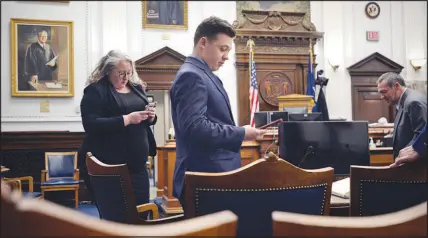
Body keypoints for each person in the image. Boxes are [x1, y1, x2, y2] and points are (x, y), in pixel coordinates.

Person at [169, 16, 266, 209]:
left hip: (213, 177)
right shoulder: (191, 75)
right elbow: (196, 128)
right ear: (203, 43)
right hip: (205, 178)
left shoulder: (203, 74)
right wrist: (242, 133)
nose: (226, 56)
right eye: (223, 49)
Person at [78, 50, 157, 218]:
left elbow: (143, 119)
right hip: (109, 167)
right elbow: (90, 124)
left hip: (138, 166)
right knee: (115, 217)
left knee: (141, 213)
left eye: (129, 73)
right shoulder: (95, 91)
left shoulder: (137, 88)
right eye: (121, 73)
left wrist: (150, 117)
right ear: (108, 71)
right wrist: (126, 119)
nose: (125, 77)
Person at [376, 72, 427, 159]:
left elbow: (422, 136)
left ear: (396, 86)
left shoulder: (413, 102)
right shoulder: (403, 101)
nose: (382, 97)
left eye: (384, 92)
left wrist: (403, 156)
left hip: (415, 167)